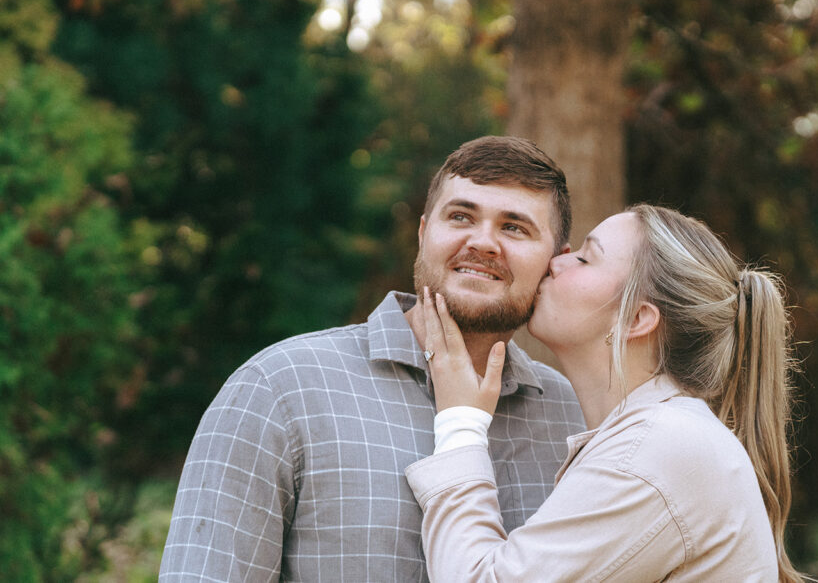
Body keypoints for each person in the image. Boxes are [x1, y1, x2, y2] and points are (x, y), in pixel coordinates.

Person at [160, 136, 586, 580]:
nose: (483, 242)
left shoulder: (572, 417)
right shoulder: (280, 389)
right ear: (424, 234)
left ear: (557, 262)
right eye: (461, 216)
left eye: (514, 227)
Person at [406, 204, 805, 582]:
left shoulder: (655, 449)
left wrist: (461, 422)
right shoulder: (662, 437)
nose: (555, 262)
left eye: (583, 258)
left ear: (636, 319)